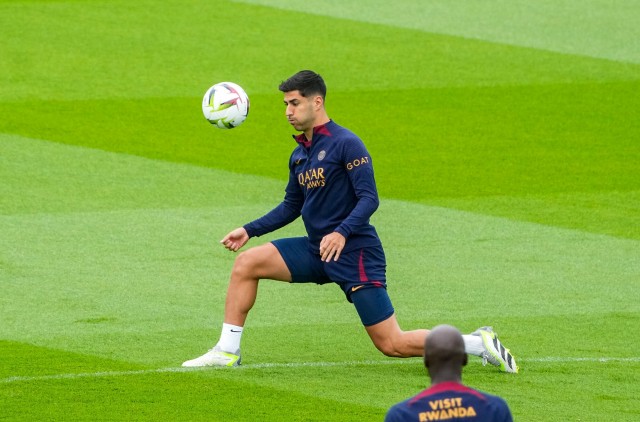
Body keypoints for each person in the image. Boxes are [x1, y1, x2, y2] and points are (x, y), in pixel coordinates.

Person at [182, 70, 518, 374]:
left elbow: (369, 198)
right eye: (285, 104)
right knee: (247, 263)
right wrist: (248, 229)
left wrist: (342, 233)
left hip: (355, 252)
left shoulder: (346, 143)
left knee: (392, 344)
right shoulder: (300, 154)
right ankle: (227, 351)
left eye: (294, 103)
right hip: (317, 250)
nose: (288, 111)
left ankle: (477, 343)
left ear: (317, 102)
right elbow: (291, 206)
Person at [385, 325, 514, 421]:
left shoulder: (400, 415)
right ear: (465, 359)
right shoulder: (496, 409)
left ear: (425, 361)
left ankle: (478, 343)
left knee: (391, 342)